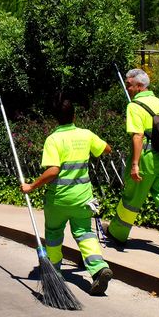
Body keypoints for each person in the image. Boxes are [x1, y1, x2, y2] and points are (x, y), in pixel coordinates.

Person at [21, 98, 114, 296]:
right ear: (74, 115)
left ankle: (54, 273)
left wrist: (32, 186)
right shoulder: (85, 134)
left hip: (59, 200)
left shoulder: (53, 140)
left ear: (55, 118)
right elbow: (107, 149)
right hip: (82, 198)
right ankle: (98, 269)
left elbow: (53, 171)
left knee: (54, 234)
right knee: (84, 233)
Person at [107, 68, 159, 261]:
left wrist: (135, 164)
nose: (127, 88)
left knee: (131, 199)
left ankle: (117, 234)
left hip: (146, 159)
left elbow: (137, 135)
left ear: (140, 86)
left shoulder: (134, 106)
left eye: (129, 84)